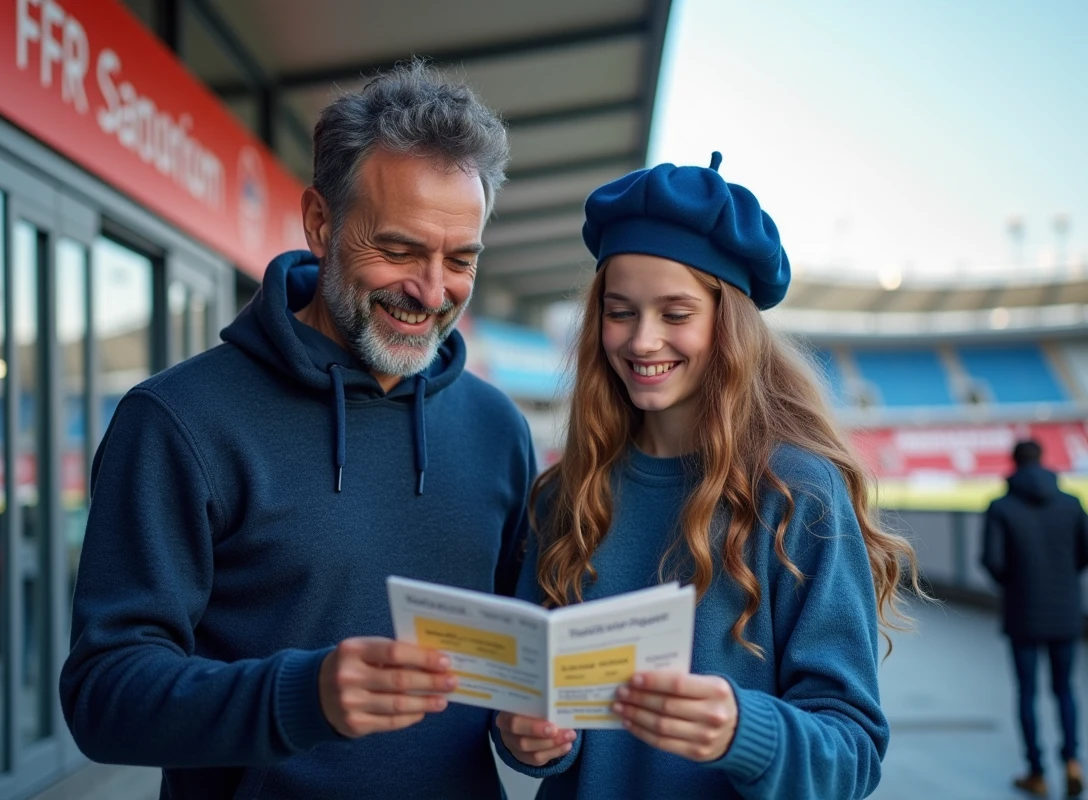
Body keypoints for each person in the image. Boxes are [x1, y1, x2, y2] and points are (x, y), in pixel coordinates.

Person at [59, 61, 537, 799]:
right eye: (401, 250)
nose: (433, 291)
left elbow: (518, 669)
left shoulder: (497, 427)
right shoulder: (179, 422)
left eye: (460, 259)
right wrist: (301, 697)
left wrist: (538, 737)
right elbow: (104, 696)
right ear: (321, 223)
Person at [491, 154, 920, 799]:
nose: (642, 340)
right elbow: (524, 707)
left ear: (729, 328)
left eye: (675, 313)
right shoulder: (562, 496)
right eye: (620, 311)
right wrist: (524, 737)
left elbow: (852, 755)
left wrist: (744, 732)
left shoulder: (799, 494)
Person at [982, 439, 1088, 797]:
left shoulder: (1001, 507)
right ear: (1043, 461)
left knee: (1027, 692)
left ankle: (1036, 772)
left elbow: (993, 561)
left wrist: (1017, 585)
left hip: (1023, 611)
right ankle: (1072, 761)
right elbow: (1084, 553)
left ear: (1014, 463)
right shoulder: (1072, 504)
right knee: (1065, 691)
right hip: (1065, 610)